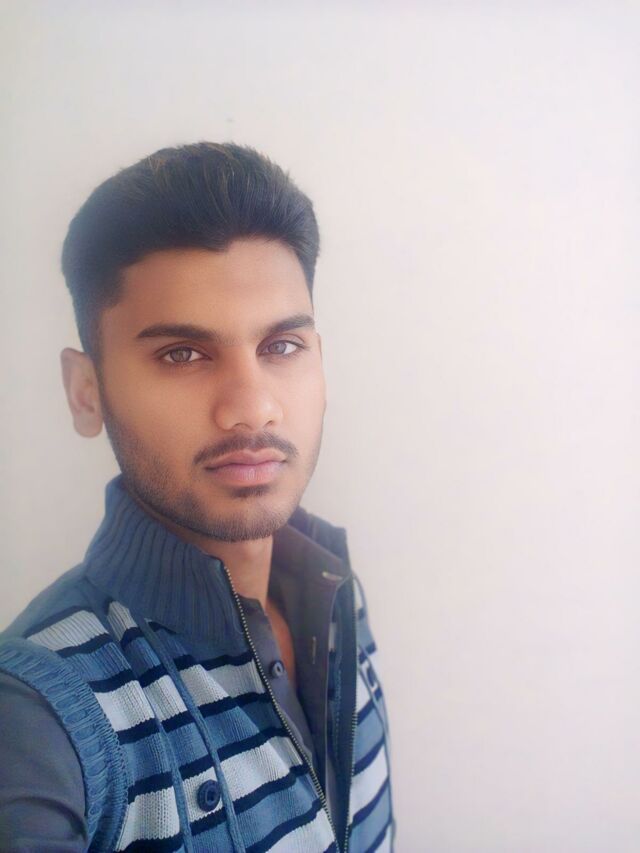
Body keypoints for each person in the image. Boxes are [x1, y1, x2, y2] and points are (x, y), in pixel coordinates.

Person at [0, 142, 394, 852]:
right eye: (182, 354)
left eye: (281, 346)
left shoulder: (336, 593)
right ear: (86, 392)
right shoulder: (38, 715)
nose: (252, 408)